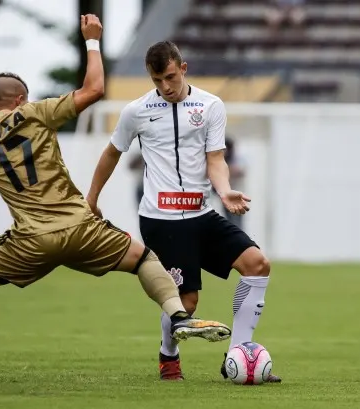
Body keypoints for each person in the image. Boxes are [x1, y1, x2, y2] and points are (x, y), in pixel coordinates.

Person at [0, 17, 231, 391]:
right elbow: (95, 88)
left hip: (30, 240)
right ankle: (179, 316)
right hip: (81, 226)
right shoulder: (35, 113)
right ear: (21, 99)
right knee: (145, 259)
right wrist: (92, 42)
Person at [86, 41, 281, 383]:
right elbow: (112, 153)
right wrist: (92, 197)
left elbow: (215, 159)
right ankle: (168, 355)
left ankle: (238, 355)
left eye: (170, 77)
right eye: (157, 80)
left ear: (184, 68)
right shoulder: (136, 111)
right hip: (161, 220)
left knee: (257, 265)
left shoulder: (210, 105)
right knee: (186, 303)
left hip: (202, 214)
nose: (165, 86)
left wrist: (225, 191)